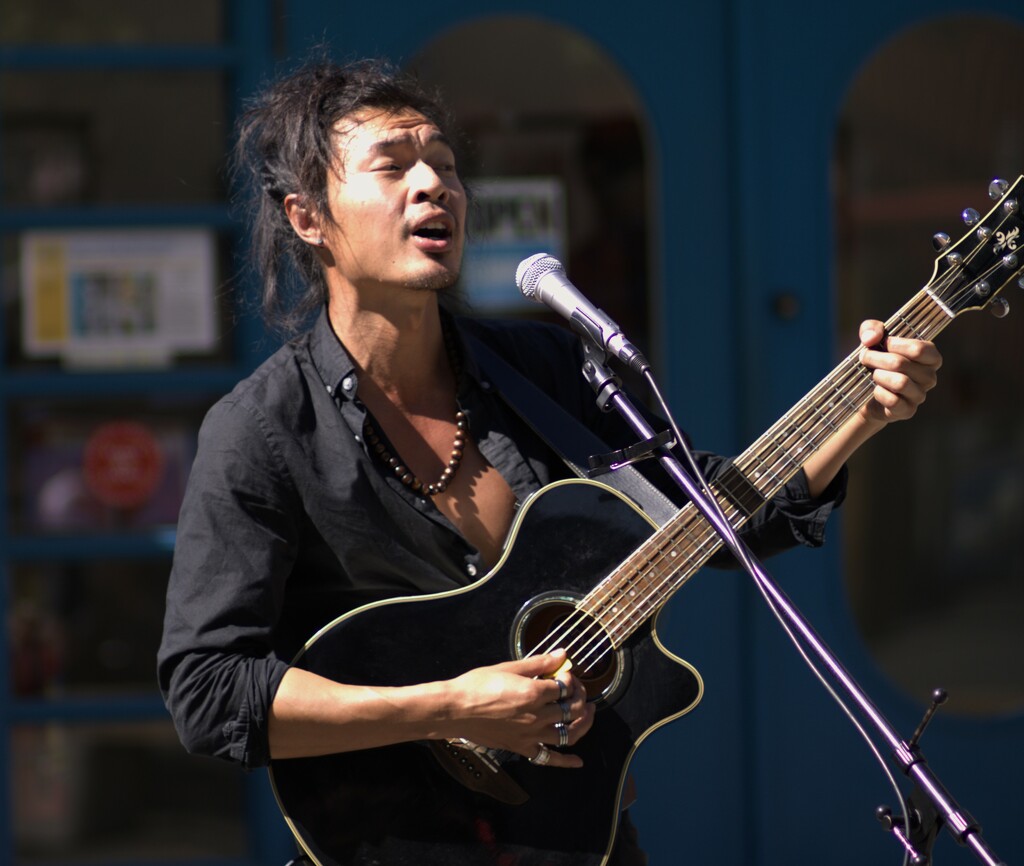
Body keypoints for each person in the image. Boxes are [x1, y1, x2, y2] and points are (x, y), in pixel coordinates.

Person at [157, 57, 942, 864]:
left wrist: (860, 416)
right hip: (389, 840)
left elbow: (707, 519)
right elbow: (211, 691)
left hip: (577, 834)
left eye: (447, 166)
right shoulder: (258, 432)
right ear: (308, 216)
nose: (434, 185)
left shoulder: (538, 371)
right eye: (393, 165)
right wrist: (452, 706)